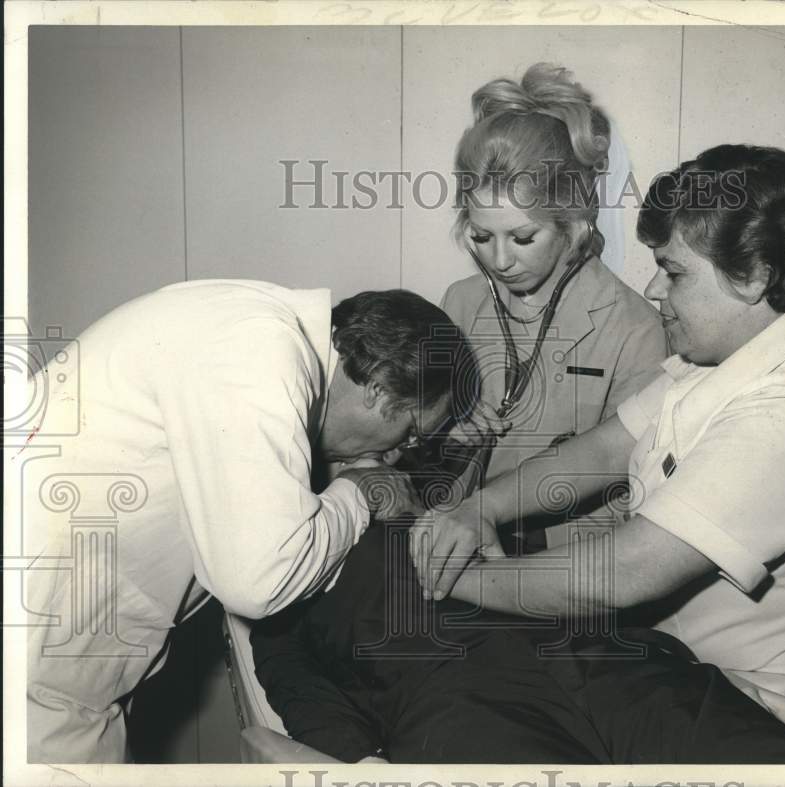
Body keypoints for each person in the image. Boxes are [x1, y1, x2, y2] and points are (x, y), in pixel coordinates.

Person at [413, 145, 785, 764]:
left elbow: (628, 572)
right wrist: (481, 509)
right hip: (691, 686)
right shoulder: (727, 354)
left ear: (754, 275)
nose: (654, 288)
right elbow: (600, 451)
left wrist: (458, 579)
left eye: (674, 271)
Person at [24, 280, 471, 763]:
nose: (394, 455)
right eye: (408, 434)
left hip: (65, 665)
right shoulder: (259, 349)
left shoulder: (250, 333)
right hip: (37, 673)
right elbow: (258, 582)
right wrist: (358, 492)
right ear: (380, 388)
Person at [251, 517, 785, 764]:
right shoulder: (284, 587)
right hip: (462, 700)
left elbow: (582, 588)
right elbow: (300, 689)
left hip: (610, 666)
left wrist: (686, 663)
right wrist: (364, 763)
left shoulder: (459, 515)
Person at [426, 63, 666, 549]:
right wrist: (447, 438)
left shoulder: (636, 330)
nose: (499, 260)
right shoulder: (459, 303)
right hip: (449, 545)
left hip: (561, 570)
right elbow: (413, 451)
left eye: (522, 237)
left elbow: (631, 496)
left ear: (573, 221)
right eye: (480, 236)